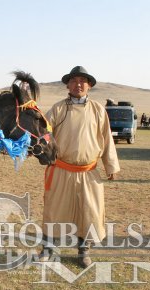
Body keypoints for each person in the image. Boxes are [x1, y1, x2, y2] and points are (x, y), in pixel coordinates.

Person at [41, 66, 120, 268]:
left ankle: (83, 251)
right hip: (61, 169)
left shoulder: (98, 110)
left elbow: (107, 139)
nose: (78, 84)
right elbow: (44, 134)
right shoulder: (58, 109)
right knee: (55, 210)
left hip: (88, 171)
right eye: (74, 80)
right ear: (68, 84)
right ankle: (48, 249)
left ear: (89, 85)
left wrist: (111, 165)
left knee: (89, 212)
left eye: (82, 81)